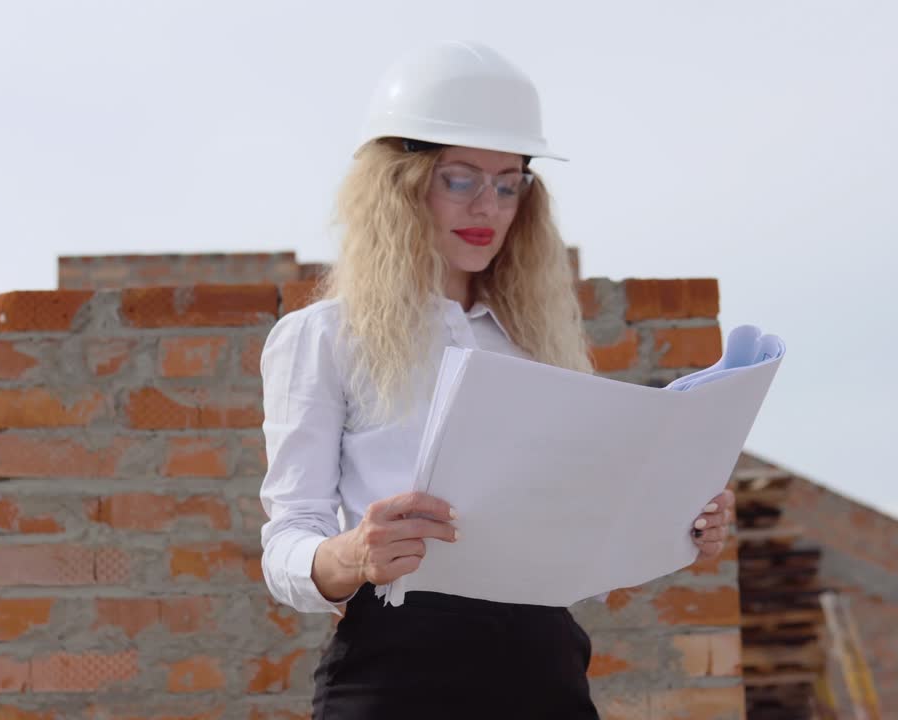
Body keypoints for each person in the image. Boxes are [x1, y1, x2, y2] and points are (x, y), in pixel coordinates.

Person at [257, 41, 735, 719]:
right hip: (397, 671)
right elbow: (286, 545)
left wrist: (680, 522)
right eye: (461, 178)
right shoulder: (325, 337)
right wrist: (353, 553)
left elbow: (580, 528)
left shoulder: (535, 345)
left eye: (510, 182)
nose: (489, 205)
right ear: (399, 183)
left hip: (544, 666)